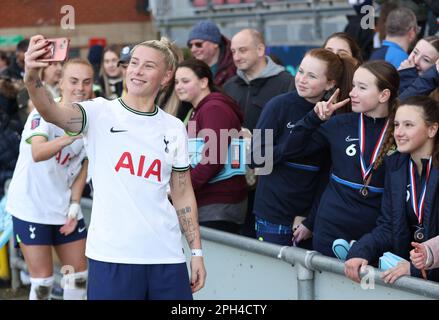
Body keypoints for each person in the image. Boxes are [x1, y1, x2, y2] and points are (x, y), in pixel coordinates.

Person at [23, 35, 206, 300]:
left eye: (148, 66)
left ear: (166, 77)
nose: (137, 70)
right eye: (134, 63)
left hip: (166, 256)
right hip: (112, 257)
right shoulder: (99, 112)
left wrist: (196, 252)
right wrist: (31, 75)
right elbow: (51, 110)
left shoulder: (174, 127)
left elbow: (182, 192)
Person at [284, 60, 399, 257]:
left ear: (384, 95)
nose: (352, 93)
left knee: (365, 287)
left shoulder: (401, 131)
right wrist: (313, 118)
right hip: (330, 228)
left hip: (372, 235)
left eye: (361, 88)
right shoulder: (339, 124)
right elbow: (291, 150)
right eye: (353, 86)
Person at [6, 58, 94, 300]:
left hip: (63, 205)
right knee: (43, 282)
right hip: (31, 206)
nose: (80, 88)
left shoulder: (93, 118)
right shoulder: (43, 112)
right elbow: (38, 152)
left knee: (78, 277)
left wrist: (75, 205)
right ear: (61, 83)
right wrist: (70, 136)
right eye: (74, 81)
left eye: (87, 82)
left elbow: (83, 166)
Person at [252, 48, 356, 247]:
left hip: (307, 224)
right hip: (272, 217)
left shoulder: (334, 118)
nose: (302, 79)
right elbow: (256, 157)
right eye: (300, 71)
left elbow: (327, 176)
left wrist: (311, 219)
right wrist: (311, 122)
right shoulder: (278, 106)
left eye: (311, 76)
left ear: (330, 83)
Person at [345, 96, 439, 283]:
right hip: (411, 274)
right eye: (396, 125)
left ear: (432, 129)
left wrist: (413, 267)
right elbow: (388, 226)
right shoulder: (396, 167)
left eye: (408, 125)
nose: (399, 132)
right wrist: (360, 251)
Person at [224, 28, 294, 237]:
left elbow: (293, 132)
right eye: (233, 51)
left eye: (242, 50)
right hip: (236, 180)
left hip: (272, 181)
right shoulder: (229, 86)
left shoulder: (286, 83)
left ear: (261, 49)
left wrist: (256, 142)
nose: (236, 57)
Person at [175, 58, 247, 234]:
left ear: (203, 82)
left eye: (185, 81)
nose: (179, 86)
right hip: (207, 201)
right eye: (176, 82)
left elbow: (212, 159)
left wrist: (182, 189)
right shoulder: (198, 109)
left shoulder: (214, 108)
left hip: (218, 205)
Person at [187, 20, 236, 87]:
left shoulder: (235, 67)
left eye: (198, 44)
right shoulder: (189, 69)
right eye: (190, 45)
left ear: (215, 43)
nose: (193, 49)